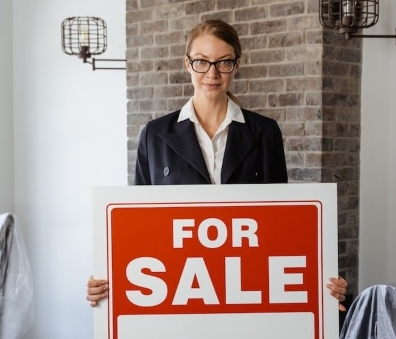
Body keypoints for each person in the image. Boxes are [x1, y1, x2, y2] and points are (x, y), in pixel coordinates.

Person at [87, 19, 348, 310]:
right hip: (178, 283)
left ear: (236, 64)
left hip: (246, 281)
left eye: (223, 62)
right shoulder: (155, 134)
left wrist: (319, 282)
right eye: (202, 62)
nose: (212, 73)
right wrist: (111, 277)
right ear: (187, 64)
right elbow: (140, 225)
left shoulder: (264, 132)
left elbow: (280, 222)